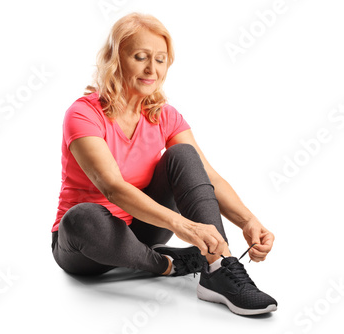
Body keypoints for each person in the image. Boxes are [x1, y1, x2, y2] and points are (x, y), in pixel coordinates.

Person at [51, 12, 277, 315]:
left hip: (141, 229)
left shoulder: (164, 115)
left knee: (184, 156)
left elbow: (209, 177)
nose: (151, 69)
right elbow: (113, 188)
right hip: (87, 244)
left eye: (160, 59)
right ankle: (165, 264)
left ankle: (219, 267)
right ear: (116, 59)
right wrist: (184, 227)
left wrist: (248, 221)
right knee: (83, 218)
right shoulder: (83, 114)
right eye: (141, 57)